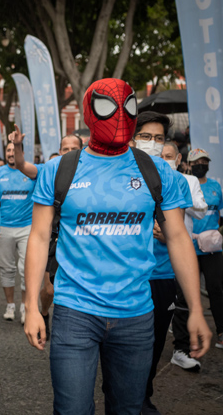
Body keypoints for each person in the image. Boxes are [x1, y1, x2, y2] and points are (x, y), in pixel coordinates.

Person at [23, 78, 211, 415]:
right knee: (72, 409)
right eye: (108, 108)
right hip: (74, 311)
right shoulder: (58, 170)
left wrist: (196, 308)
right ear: (88, 111)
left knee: (128, 408)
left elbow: (179, 238)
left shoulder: (156, 172)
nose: (119, 116)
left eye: (127, 107)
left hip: (136, 314)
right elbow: (38, 237)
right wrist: (32, 306)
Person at [129, 112, 195, 414]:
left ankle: (143, 396)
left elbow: (175, 232)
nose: (153, 144)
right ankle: (123, 392)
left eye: (158, 139)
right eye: (146, 137)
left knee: (154, 345)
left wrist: (164, 232)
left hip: (163, 276)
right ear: (132, 138)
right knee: (124, 346)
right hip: (130, 278)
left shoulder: (175, 182)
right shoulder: (121, 177)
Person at [11, 128, 83, 338]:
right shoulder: (51, 170)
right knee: (50, 290)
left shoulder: (90, 172)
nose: (69, 152)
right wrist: (17, 146)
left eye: (74, 148)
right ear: (59, 151)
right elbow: (22, 166)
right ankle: (43, 312)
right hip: (53, 238)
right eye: (65, 148)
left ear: (82, 150)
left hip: (81, 241)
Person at [0, 137, 44, 323]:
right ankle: (10, 306)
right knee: (7, 269)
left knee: (26, 269)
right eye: (7, 151)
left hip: (27, 227)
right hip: (4, 228)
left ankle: (25, 307)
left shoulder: (31, 172)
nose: (10, 154)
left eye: (13, 150)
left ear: (21, 153)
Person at [170, 148, 223, 368]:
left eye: (204, 161)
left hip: (211, 248)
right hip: (188, 247)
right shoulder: (181, 182)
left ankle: (220, 332)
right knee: (181, 295)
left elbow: (213, 212)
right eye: (197, 161)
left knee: (216, 288)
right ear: (188, 163)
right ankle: (180, 343)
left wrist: (217, 233)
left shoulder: (213, 186)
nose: (201, 163)